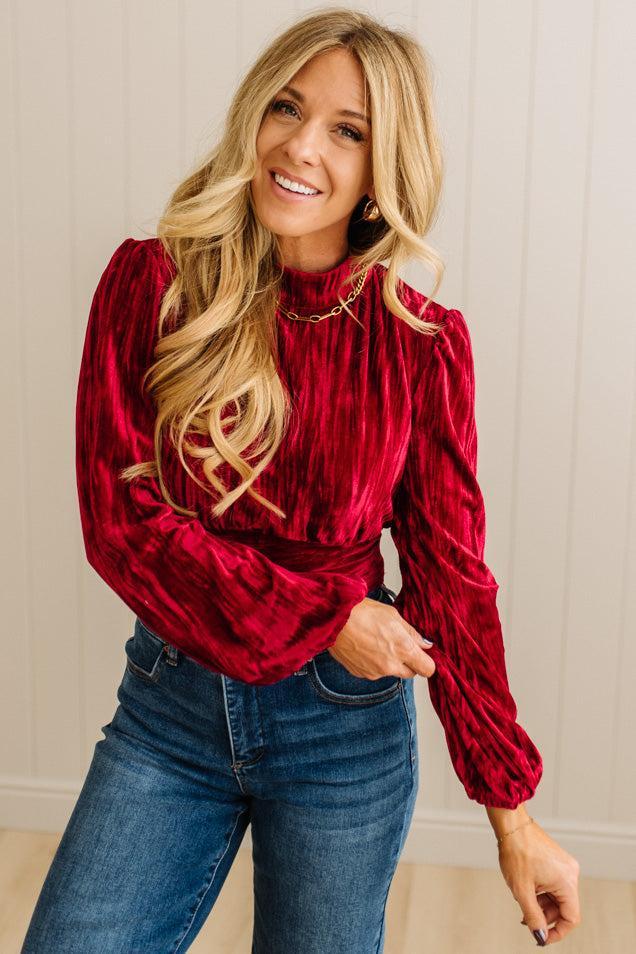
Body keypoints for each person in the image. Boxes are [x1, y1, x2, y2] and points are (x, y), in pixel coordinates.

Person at [21, 8, 581, 953]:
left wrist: (511, 814)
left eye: (347, 130)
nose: (301, 146)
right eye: (287, 106)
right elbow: (121, 522)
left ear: (381, 167)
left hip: (342, 735)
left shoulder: (421, 346)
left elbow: (453, 583)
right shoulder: (153, 282)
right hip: (170, 710)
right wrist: (328, 614)